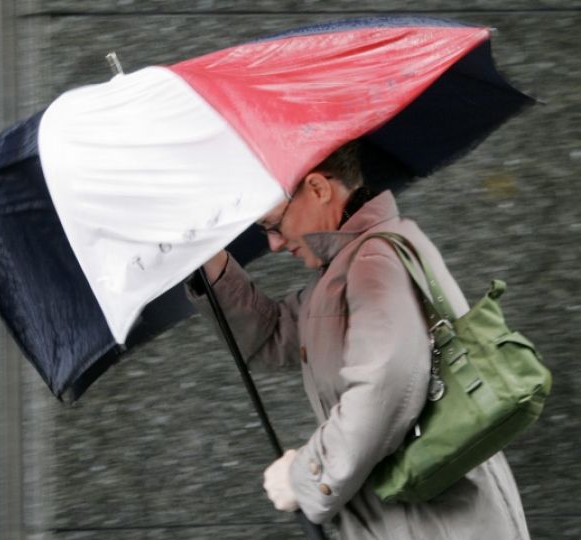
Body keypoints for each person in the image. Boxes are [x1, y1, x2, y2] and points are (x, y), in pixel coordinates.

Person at [188, 141, 530, 539]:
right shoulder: (349, 267)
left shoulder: (372, 263)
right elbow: (275, 335)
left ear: (318, 189)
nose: (274, 244)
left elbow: (386, 385)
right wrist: (209, 264)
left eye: (273, 224)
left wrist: (304, 477)